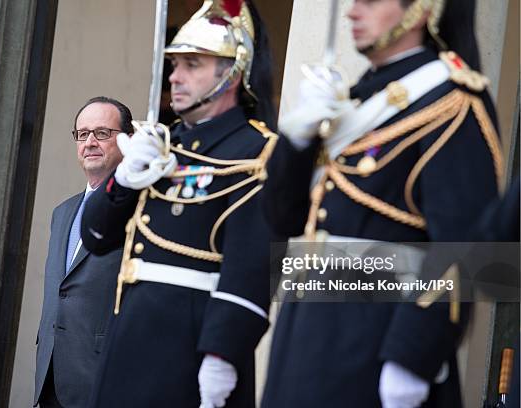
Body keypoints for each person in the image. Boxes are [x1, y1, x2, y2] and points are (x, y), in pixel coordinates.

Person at [261, 0, 503, 407]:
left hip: (379, 346)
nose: (354, 12)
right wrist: (295, 144)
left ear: (421, 9)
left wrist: (412, 355)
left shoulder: (452, 102)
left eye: (371, 1)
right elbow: (282, 220)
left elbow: (468, 250)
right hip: (307, 337)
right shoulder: (355, 103)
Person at [80, 1, 278, 407]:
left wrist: (222, 353)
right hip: (130, 342)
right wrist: (124, 179)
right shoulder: (163, 144)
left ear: (233, 73)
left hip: (193, 351)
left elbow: (251, 269)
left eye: (193, 65)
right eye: (175, 65)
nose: (176, 76)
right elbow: (96, 236)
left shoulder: (258, 154)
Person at [34, 96, 133, 408]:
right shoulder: (61, 212)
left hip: (103, 380)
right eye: (82, 133)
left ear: (128, 141)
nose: (90, 142)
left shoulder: (141, 209)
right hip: (50, 376)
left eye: (102, 133)